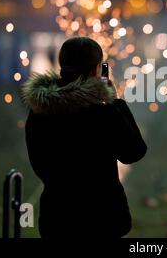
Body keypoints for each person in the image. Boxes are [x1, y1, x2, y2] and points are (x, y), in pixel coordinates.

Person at [21, 37, 147, 238]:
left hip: (57, 217)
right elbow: (134, 152)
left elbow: (39, 163)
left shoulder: (40, 110)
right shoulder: (102, 113)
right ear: (97, 70)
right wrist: (114, 102)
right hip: (102, 219)